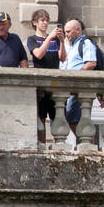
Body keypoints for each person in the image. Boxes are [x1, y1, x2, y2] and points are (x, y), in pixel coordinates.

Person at [58, 18, 99, 142]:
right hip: (74, 88)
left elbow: (91, 63)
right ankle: (85, 143)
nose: (67, 35)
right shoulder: (74, 45)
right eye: (65, 32)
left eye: (69, 31)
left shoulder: (86, 43)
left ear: (78, 30)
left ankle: (88, 144)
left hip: (80, 88)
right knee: (74, 119)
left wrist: (76, 76)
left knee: (73, 118)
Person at [27, 9, 60, 145]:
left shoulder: (55, 39)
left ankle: (58, 144)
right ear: (35, 23)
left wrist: (62, 41)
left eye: (47, 20)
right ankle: (41, 145)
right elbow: (38, 54)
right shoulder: (32, 39)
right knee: (40, 118)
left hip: (54, 83)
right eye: (42, 20)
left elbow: (62, 58)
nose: (45, 23)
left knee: (56, 116)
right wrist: (49, 38)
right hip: (40, 84)